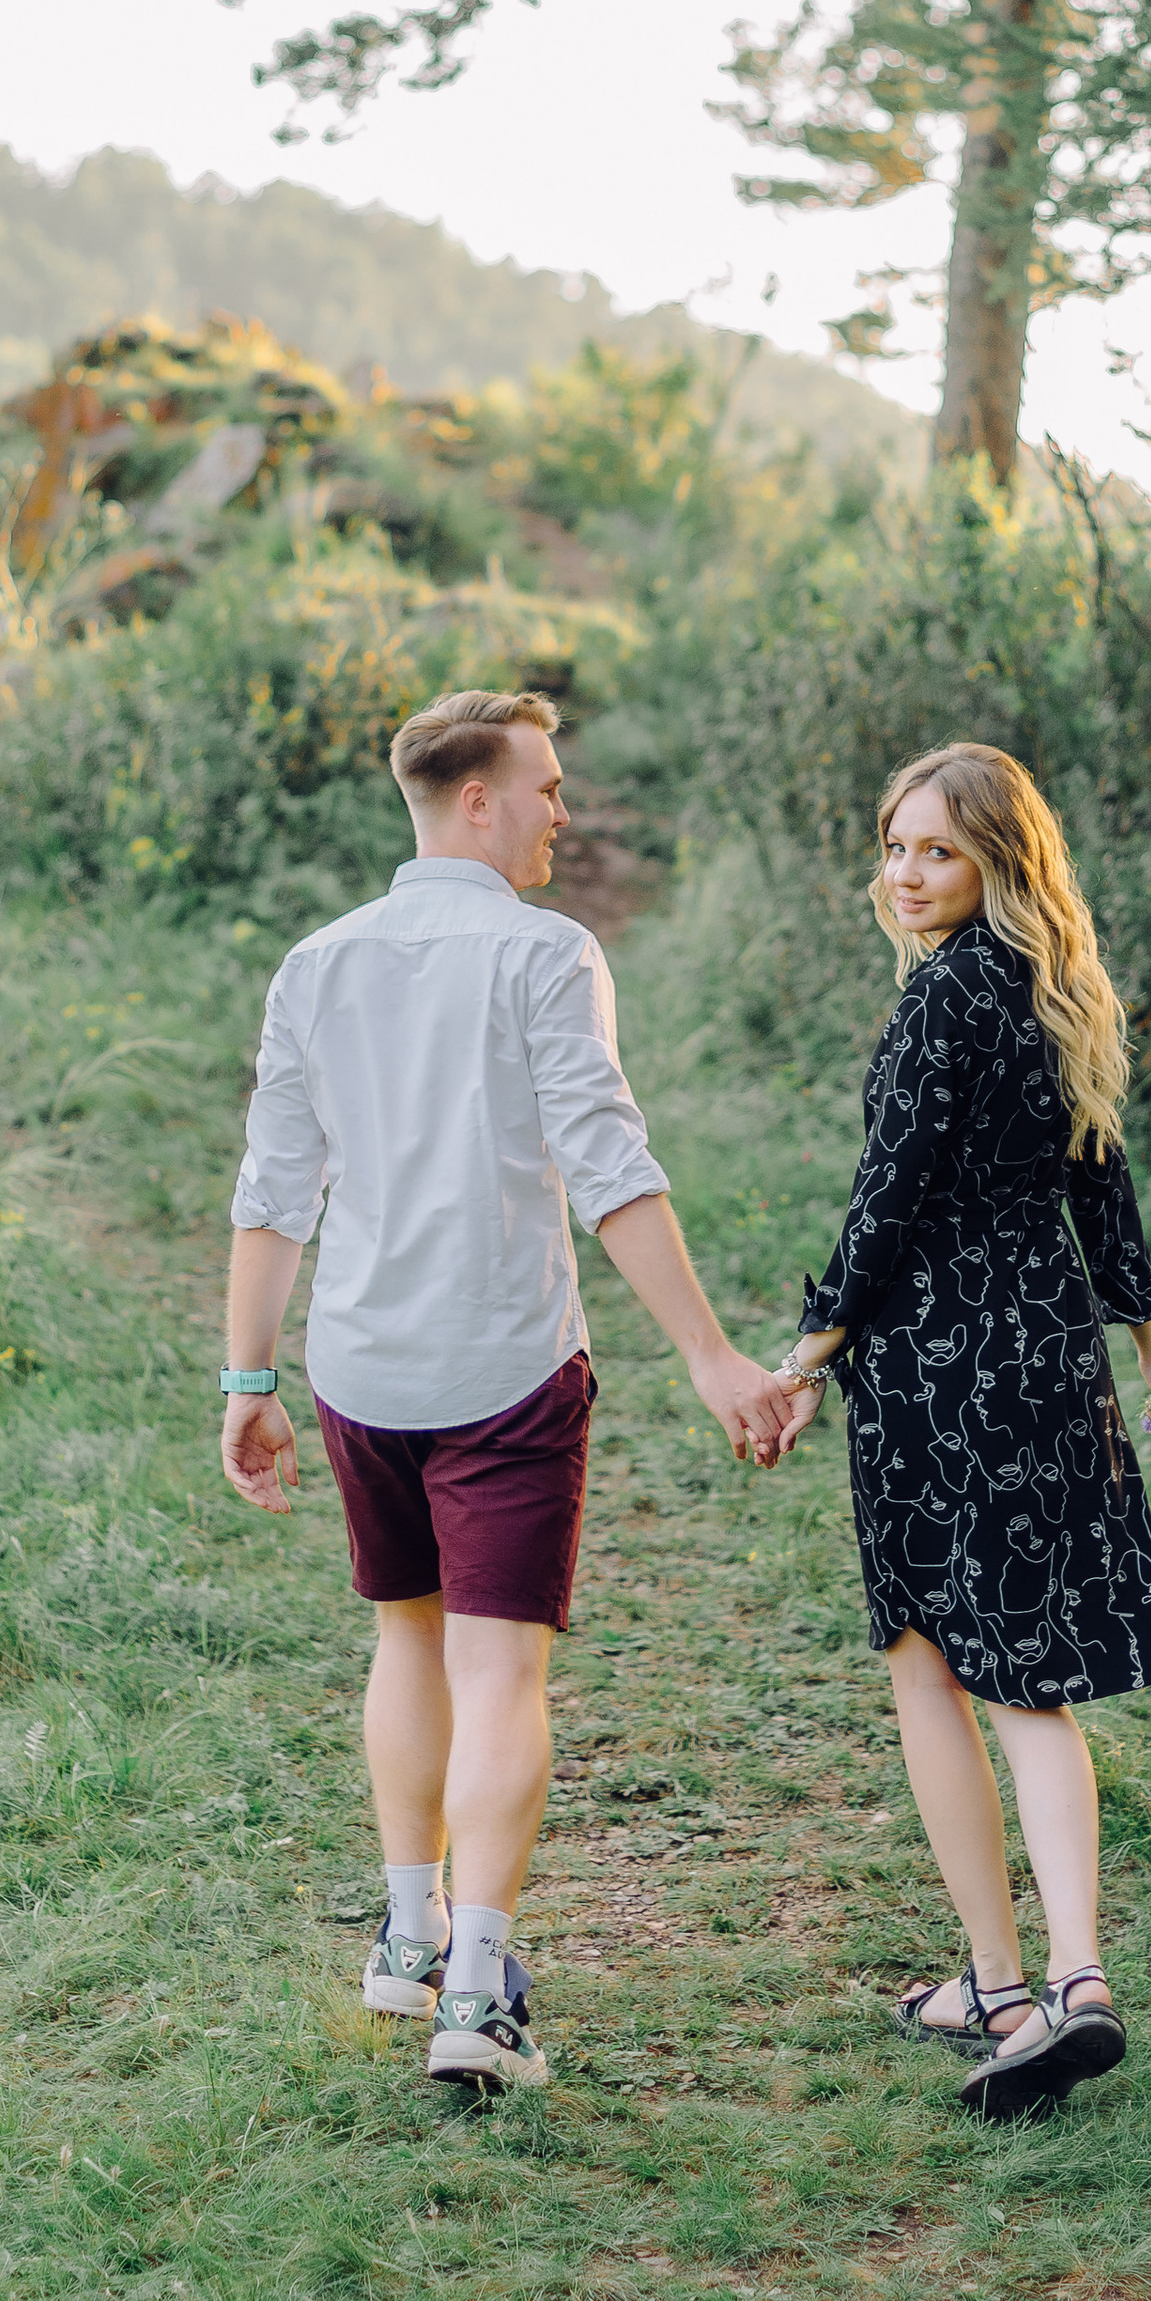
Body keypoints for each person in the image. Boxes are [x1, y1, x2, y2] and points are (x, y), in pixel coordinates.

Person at [220, 686, 798, 2094]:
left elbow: (273, 1190)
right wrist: (715, 1358)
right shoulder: (547, 956)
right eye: (543, 786)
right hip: (504, 1371)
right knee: (498, 1669)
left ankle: (409, 1941)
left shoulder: (318, 962)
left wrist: (248, 1376)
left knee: (404, 1644)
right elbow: (609, 1166)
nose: (561, 811)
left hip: (360, 1366)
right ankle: (480, 1990)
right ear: (475, 800)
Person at [773, 741, 1151, 2119]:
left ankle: (1004, 1984)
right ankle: (1075, 1981)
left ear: (999, 862)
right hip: (1047, 1353)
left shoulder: (937, 1005)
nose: (904, 874)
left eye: (936, 851)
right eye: (894, 846)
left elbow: (887, 1200)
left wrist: (811, 1346)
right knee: (1034, 1677)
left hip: (935, 1365)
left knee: (928, 1660)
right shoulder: (1055, 990)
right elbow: (1103, 1184)